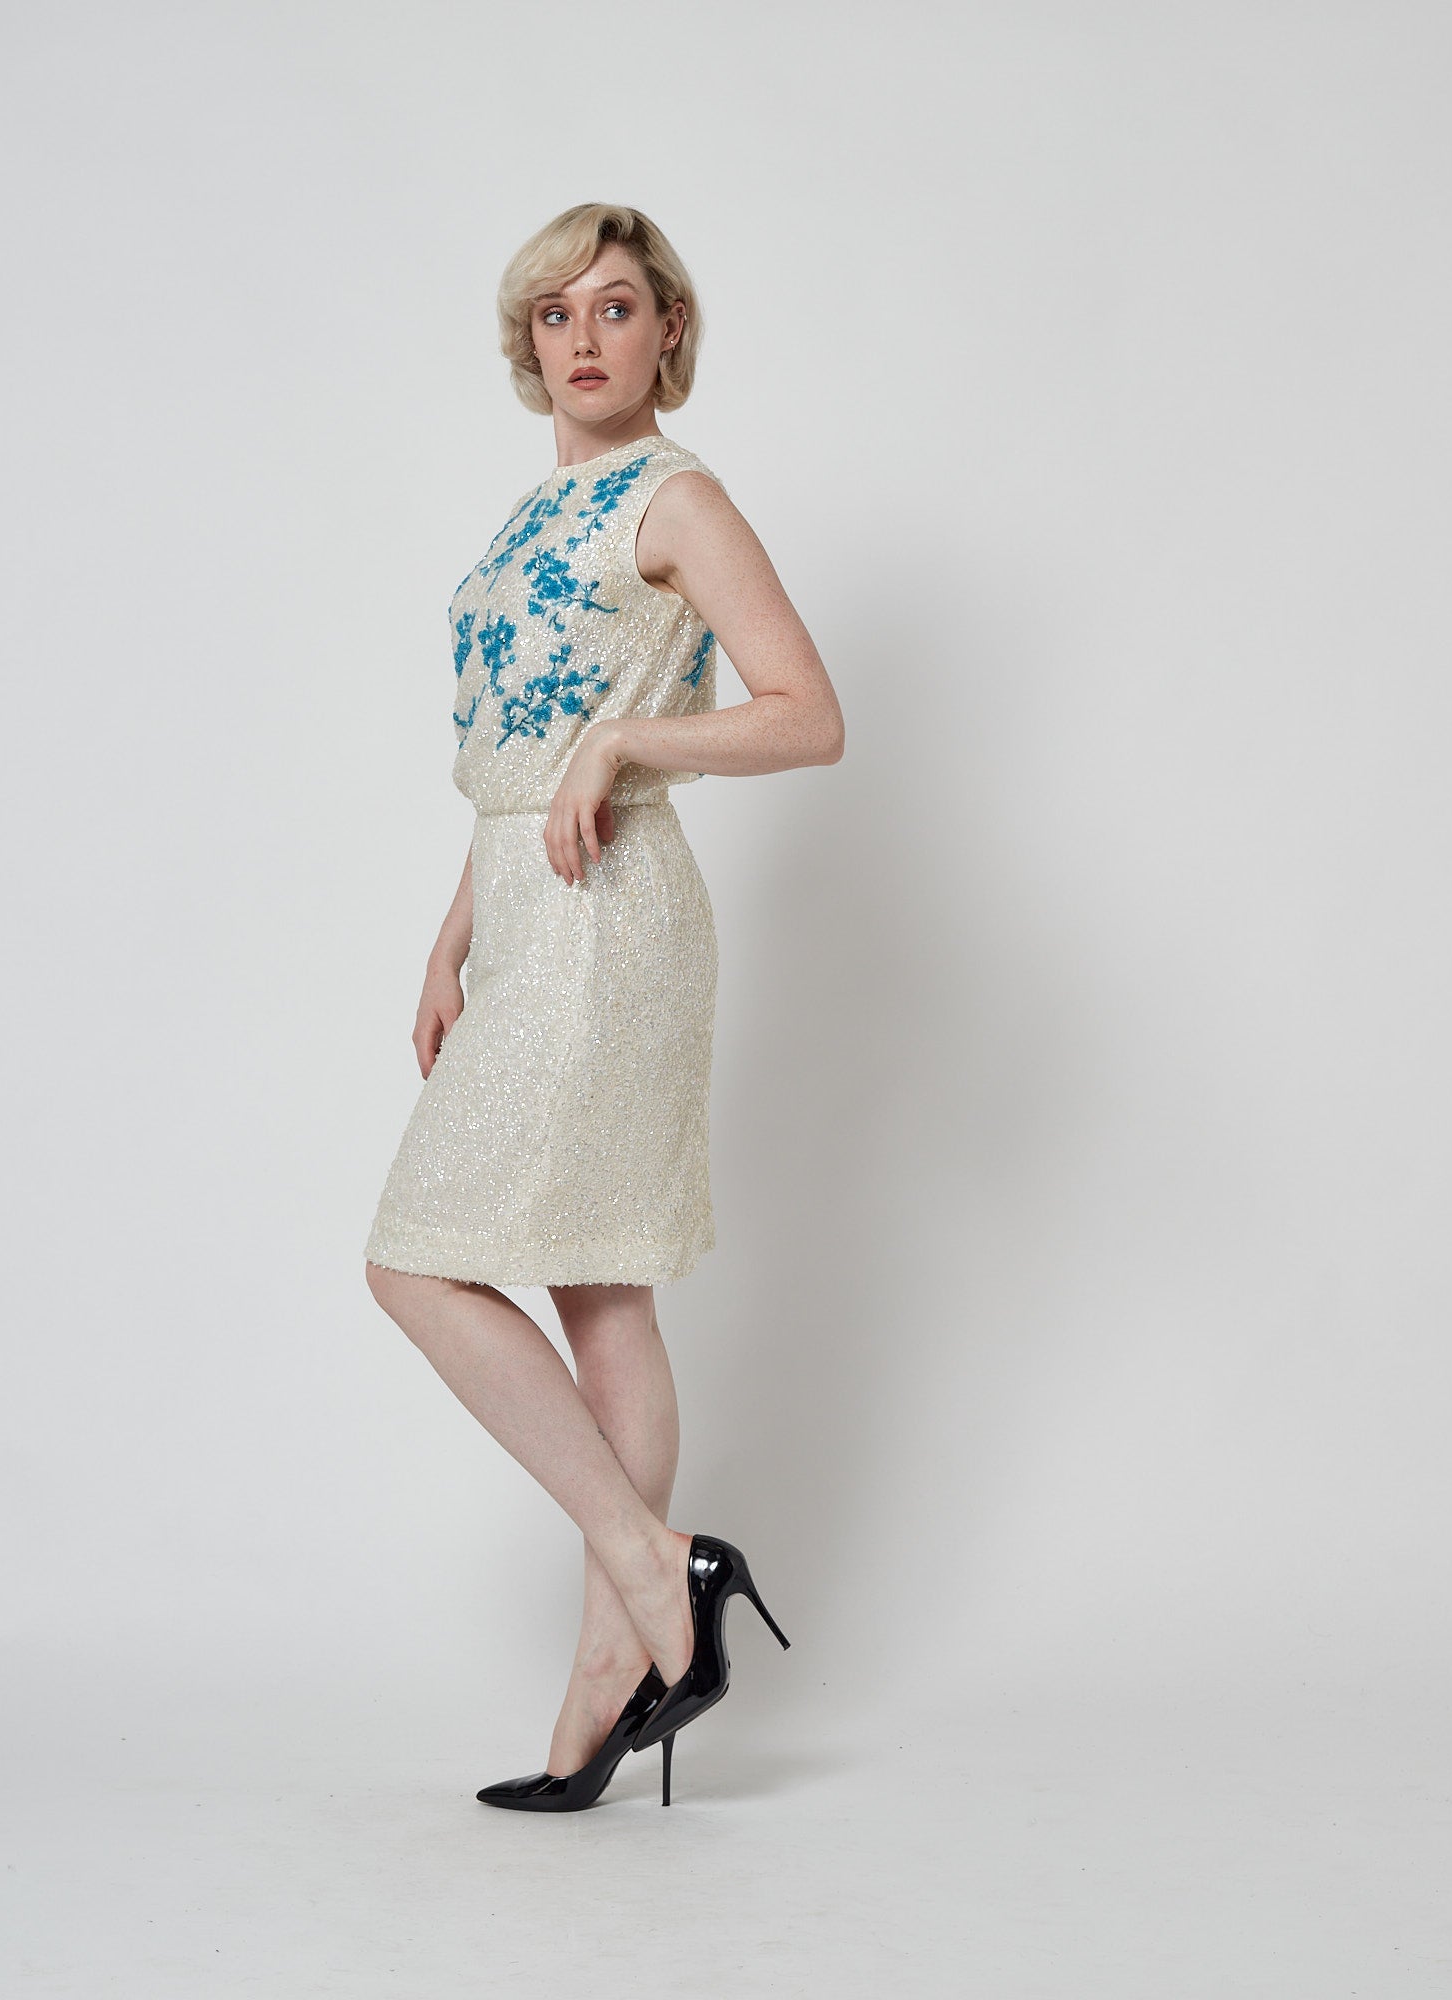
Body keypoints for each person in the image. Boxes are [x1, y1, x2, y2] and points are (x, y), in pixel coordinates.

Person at [363, 202, 844, 1811]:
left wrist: (633, 744)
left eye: (617, 307)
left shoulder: (675, 498)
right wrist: (452, 935)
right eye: (557, 313)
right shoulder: (529, 515)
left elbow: (808, 716)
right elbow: (522, 755)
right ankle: (611, 1676)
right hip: (526, 905)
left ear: (668, 333)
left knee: (415, 1262)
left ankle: (653, 1570)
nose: (584, 338)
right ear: (530, 341)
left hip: (610, 916)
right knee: (603, 1296)